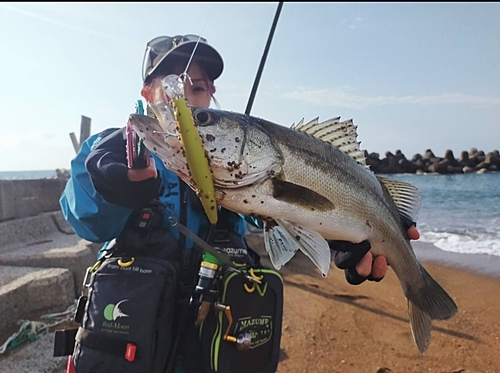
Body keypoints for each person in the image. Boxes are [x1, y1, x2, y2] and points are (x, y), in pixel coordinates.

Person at [60, 34, 420, 372]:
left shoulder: (239, 174)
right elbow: (83, 219)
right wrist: (111, 187)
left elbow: (275, 219)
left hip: (212, 350)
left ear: (212, 93)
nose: (182, 101)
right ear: (147, 91)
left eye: (196, 90)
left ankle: (418, 289)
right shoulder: (112, 151)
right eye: (172, 85)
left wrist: (333, 236)